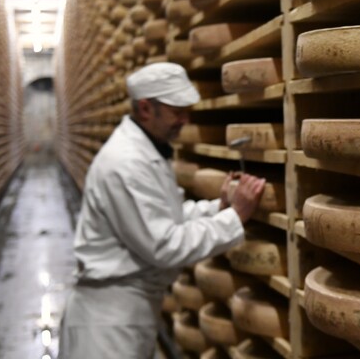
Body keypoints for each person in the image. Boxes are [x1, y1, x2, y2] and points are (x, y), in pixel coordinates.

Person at [58, 62, 266, 358]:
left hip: (128, 312)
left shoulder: (147, 150)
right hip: (108, 322)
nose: (185, 120)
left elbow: (167, 216)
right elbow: (164, 244)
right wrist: (235, 217)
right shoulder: (126, 163)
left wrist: (218, 208)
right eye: (176, 111)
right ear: (146, 108)